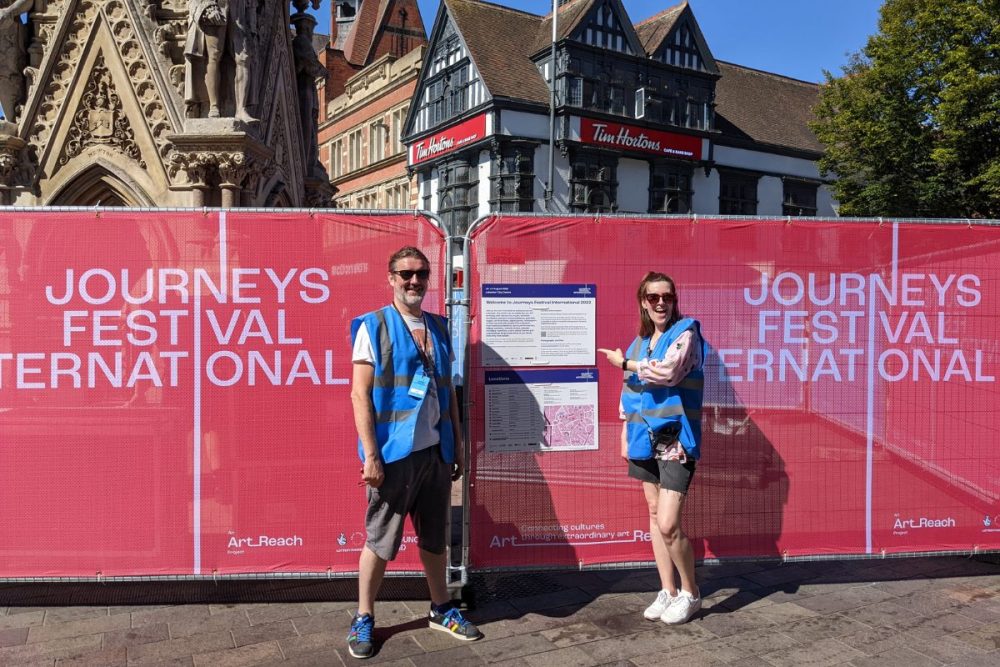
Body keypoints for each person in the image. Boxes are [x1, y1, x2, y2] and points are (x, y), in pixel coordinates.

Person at [347, 246, 482, 659]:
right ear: (390, 277)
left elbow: (447, 393)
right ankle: (364, 617)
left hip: (435, 452)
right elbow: (359, 394)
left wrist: (455, 443)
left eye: (421, 274)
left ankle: (441, 608)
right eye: (405, 273)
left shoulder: (439, 327)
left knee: (435, 536)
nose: (413, 281)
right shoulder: (375, 326)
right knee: (380, 538)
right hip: (393, 455)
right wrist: (371, 456)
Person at [598, 272, 705, 625]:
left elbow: (668, 372)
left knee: (669, 522)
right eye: (653, 297)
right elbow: (628, 396)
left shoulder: (685, 333)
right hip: (643, 440)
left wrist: (624, 364)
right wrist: (624, 437)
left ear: (675, 300)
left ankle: (691, 594)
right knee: (654, 513)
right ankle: (668, 590)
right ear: (643, 301)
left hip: (676, 440)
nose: (661, 303)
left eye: (667, 297)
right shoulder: (638, 343)